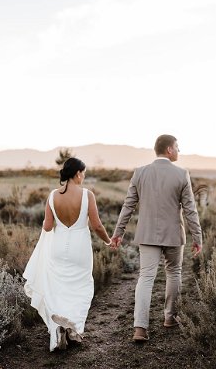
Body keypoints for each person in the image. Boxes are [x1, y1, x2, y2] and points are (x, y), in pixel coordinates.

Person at [110, 134, 202, 342]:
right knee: (174, 272)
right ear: (169, 149)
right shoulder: (181, 174)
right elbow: (190, 210)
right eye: (177, 147)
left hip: (147, 234)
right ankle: (170, 318)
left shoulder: (140, 173)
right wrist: (198, 236)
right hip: (173, 234)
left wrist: (118, 232)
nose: (179, 150)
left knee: (146, 277)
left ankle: (140, 329)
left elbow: (128, 206)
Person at [23, 157, 113, 351]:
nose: (84, 177)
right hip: (79, 247)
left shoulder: (53, 195)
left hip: (58, 245)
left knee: (59, 287)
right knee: (81, 287)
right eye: (84, 173)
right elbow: (96, 225)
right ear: (78, 173)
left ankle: (60, 326)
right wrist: (108, 240)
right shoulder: (87, 195)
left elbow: (47, 226)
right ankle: (72, 327)